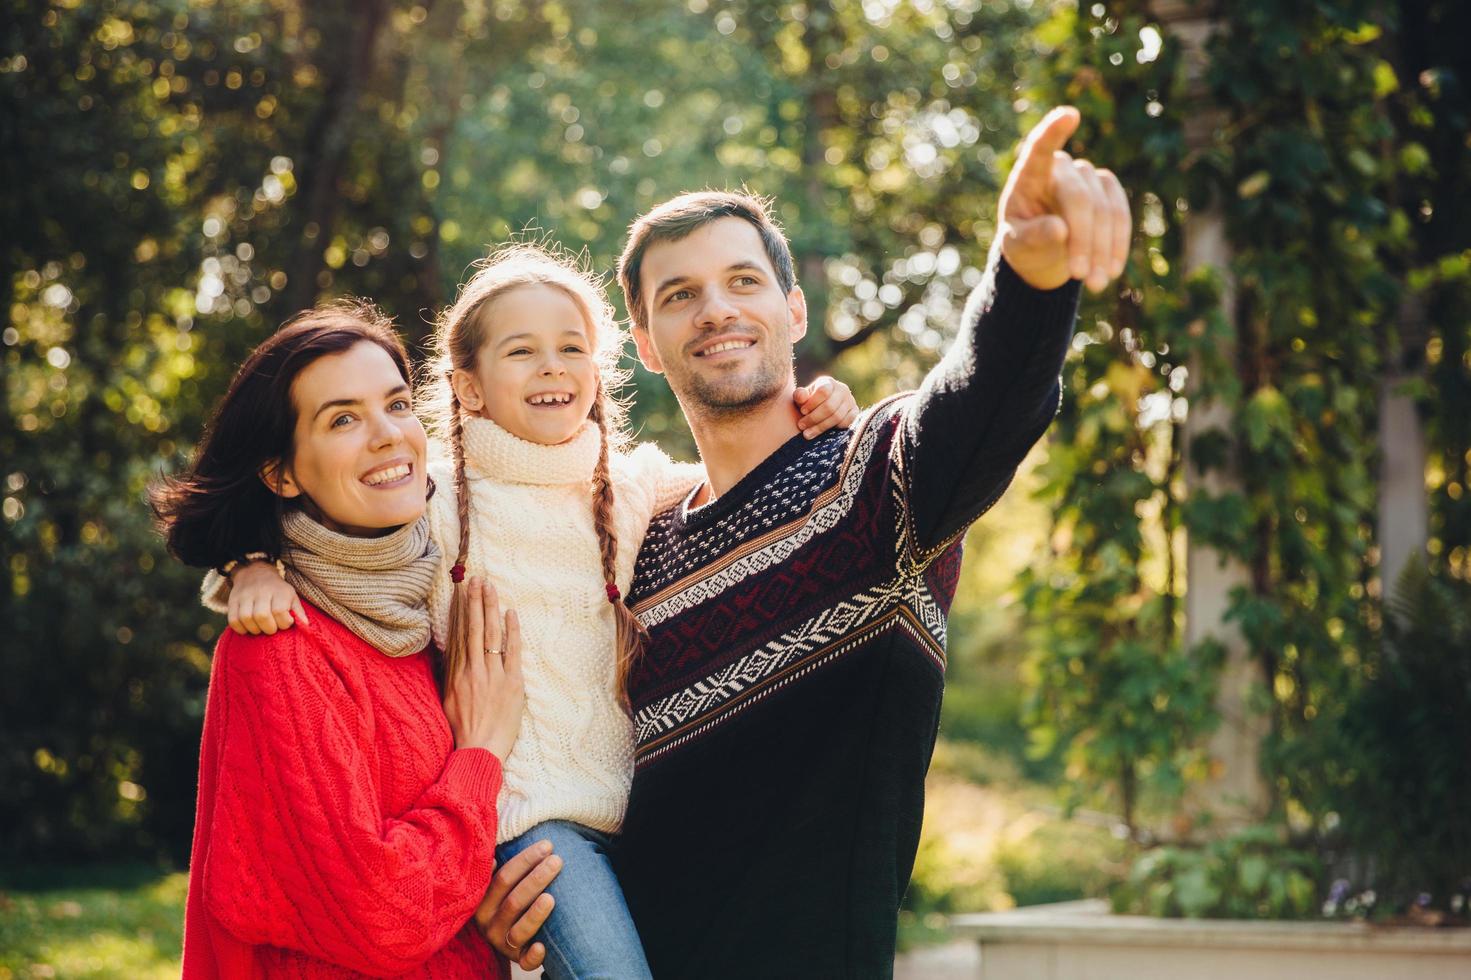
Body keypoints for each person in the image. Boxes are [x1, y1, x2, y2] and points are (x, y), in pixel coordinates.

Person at [478, 104, 1132, 977]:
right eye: (679, 296)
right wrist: (507, 891)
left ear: (791, 309)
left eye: (742, 282)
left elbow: (981, 408)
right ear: (644, 344)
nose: (715, 310)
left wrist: (1026, 280)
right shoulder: (629, 543)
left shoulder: (875, 484)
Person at [218, 246, 861, 978]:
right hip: (528, 823)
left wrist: (822, 406)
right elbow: (332, 542)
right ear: (469, 388)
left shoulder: (634, 483)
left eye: (570, 349)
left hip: (640, 807)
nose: (552, 366)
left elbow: (739, 478)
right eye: (522, 352)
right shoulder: (435, 498)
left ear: (597, 371)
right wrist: (252, 569)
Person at [151, 303, 548, 977]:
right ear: (281, 473)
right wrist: (479, 751)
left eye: (396, 404)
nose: (388, 436)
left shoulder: (433, 602)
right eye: (342, 419)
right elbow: (380, 915)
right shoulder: (279, 649)